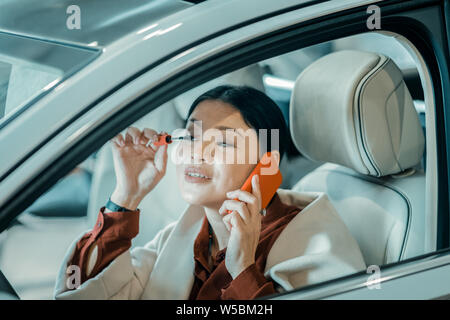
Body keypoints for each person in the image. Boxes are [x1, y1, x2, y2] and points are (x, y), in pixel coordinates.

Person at [54, 85, 365, 300]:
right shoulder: (182, 239)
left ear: (266, 165)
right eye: (191, 136)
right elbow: (93, 290)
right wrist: (127, 195)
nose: (196, 153)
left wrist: (242, 267)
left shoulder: (315, 246)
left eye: (225, 144)